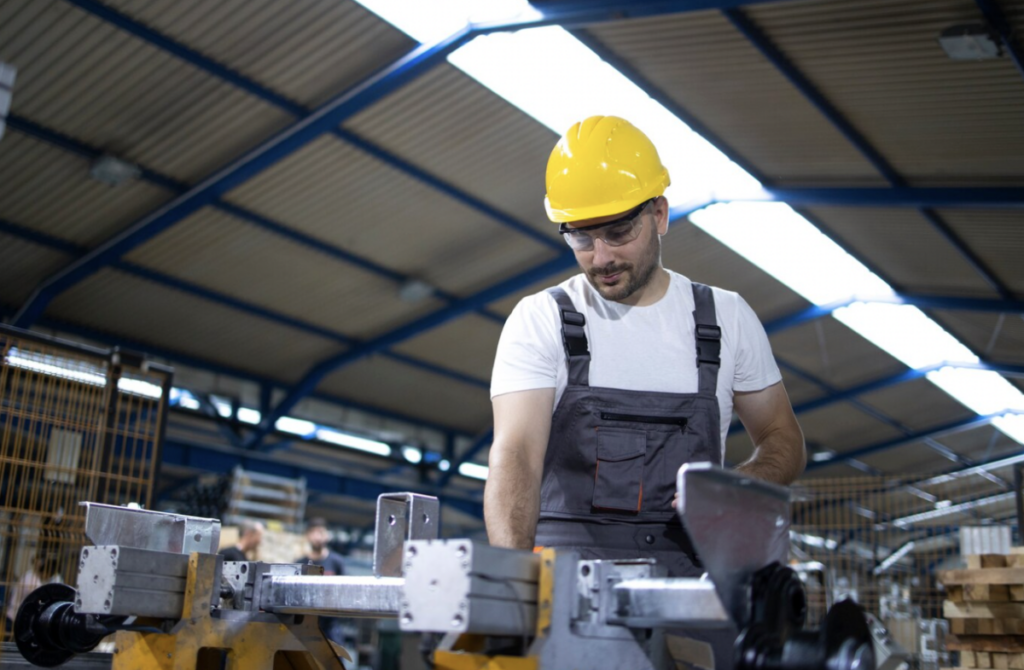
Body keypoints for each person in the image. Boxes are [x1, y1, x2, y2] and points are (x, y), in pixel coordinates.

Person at [486, 114, 805, 577]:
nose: (601, 258)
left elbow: (784, 439)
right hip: (566, 592)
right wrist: (513, 584)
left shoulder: (726, 319)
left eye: (618, 232)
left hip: (691, 588)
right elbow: (515, 455)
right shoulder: (541, 320)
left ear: (659, 214)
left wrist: (736, 486)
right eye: (580, 236)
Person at [294, 517, 347, 647]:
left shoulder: (336, 562)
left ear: (327, 535)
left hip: (331, 625)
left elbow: (344, 591)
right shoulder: (299, 564)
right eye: (314, 532)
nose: (318, 536)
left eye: (321, 532)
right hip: (305, 625)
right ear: (308, 535)